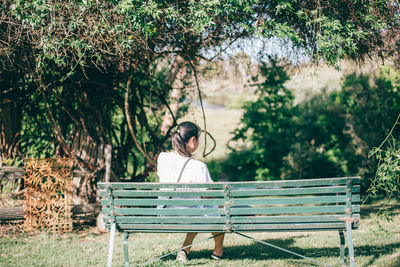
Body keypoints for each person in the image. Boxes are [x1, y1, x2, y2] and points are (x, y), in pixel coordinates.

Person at [157, 121, 224, 262]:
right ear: (193, 140)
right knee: (216, 207)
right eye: (198, 140)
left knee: (197, 207)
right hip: (189, 215)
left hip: (165, 214)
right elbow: (208, 196)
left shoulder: (162, 158)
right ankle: (218, 250)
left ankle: (185, 249)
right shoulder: (198, 167)